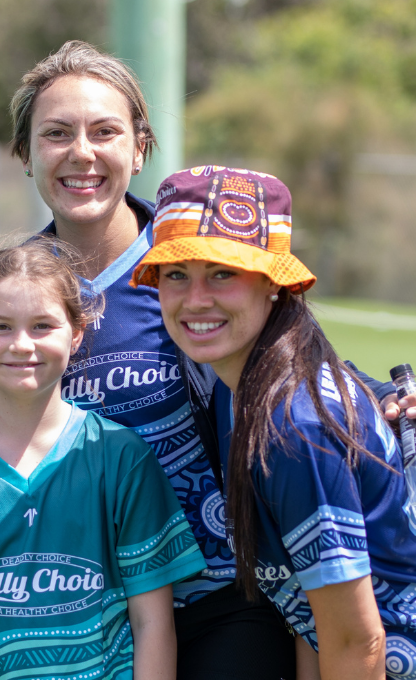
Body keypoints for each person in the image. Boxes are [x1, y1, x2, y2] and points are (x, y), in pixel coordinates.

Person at [10, 39, 406, 679]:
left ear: (139, 147)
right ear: (25, 153)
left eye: (105, 131)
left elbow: (292, 362)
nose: (81, 152)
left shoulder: (193, 262)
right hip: (80, 610)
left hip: (226, 602)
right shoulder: (13, 290)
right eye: (56, 134)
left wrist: (385, 401)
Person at [0, 239, 206, 680]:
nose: (22, 345)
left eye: (43, 326)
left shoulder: (123, 459)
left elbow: (153, 623)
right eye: (1, 327)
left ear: (77, 332)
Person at [131, 165, 416, 680]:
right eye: (176, 274)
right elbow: (313, 614)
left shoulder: (294, 427)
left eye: (223, 272)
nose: (195, 299)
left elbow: (359, 642)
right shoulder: (235, 388)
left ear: (273, 285)